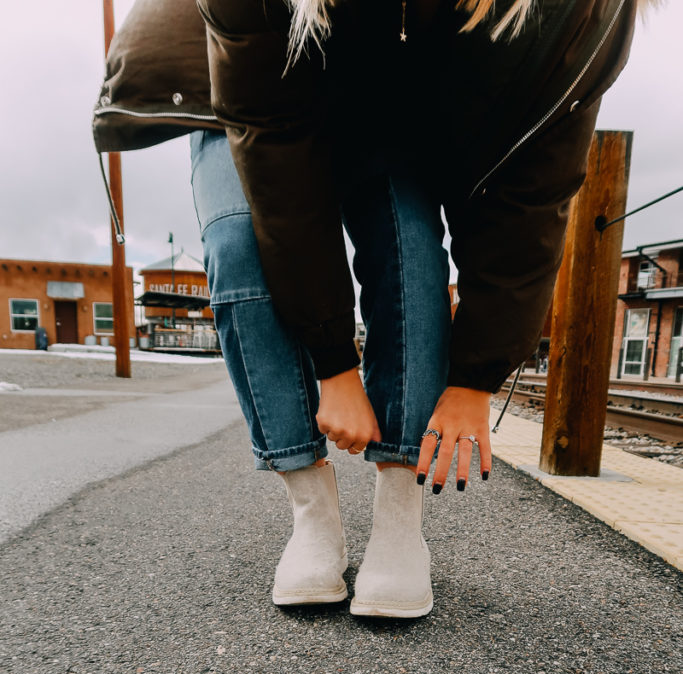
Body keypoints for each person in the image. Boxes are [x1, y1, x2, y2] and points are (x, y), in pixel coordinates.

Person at [93, 0, 653, 617]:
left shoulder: (577, 17)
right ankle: (312, 510)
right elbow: (281, 173)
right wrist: (335, 367)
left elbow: (529, 199)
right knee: (240, 243)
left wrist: (473, 381)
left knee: (408, 242)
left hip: (393, 82)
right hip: (245, 69)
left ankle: (399, 516)